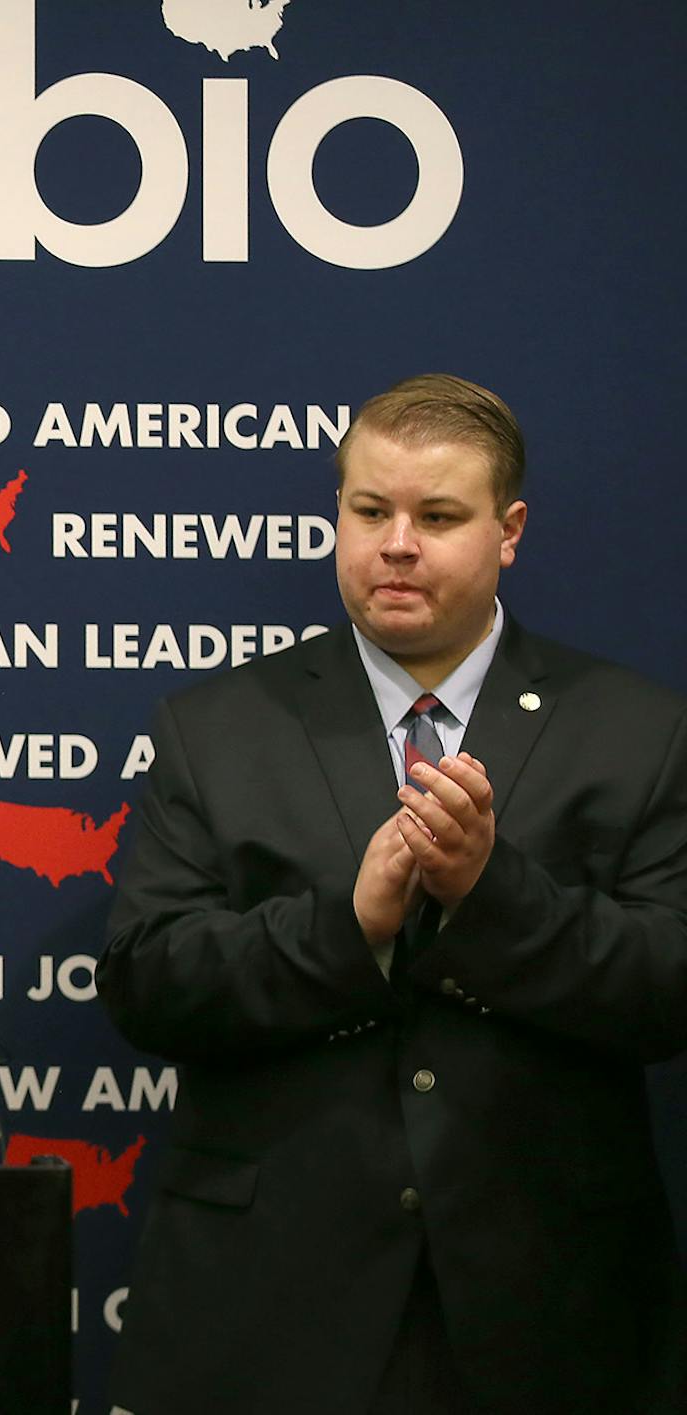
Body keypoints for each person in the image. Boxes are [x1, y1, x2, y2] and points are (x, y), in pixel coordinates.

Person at [99, 374, 687, 1415]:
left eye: (438, 516)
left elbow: (666, 989)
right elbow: (149, 982)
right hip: (270, 1310)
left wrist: (490, 895)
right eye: (370, 510)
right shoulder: (216, 726)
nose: (397, 544)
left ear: (509, 531)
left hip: (550, 1313)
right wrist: (352, 924)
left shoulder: (636, 731)